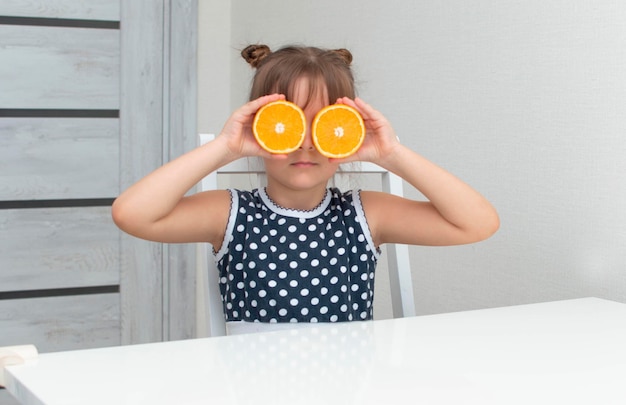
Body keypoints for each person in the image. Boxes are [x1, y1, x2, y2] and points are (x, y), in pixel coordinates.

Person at [112, 44, 499, 332]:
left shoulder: (365, 214)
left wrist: (391, 153)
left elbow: (477, 223)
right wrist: (224, 147)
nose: (306, 143)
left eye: (324, 125)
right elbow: (132, 213)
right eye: (288, 124)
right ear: (258, 126)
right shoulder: (230, 214)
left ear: (346, 132)